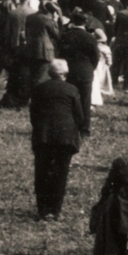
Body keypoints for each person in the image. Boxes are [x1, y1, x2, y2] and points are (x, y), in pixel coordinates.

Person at [29, 60, 87, 221]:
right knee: (60, 174)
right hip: (65, 137)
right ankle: (54, 210)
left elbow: (33, 114)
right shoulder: (72, 89)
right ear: (65, 74)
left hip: (43, 135)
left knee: (41, 173)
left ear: (49, 73)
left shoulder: (39, 89)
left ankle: (42, 209)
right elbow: (79, 116)